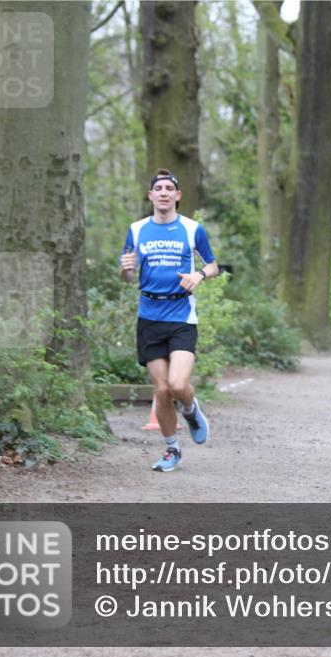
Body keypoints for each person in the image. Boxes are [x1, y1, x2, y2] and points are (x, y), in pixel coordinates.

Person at [120, 168, 219, 472]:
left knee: (178, 384)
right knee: (161, 390)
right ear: (150, 195)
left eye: (169, 188)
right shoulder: (136, 230)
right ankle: (171, 450)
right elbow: (126, 276)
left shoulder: (192, 229)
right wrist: (125, 269)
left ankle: (190, 410)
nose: (163, 192)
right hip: (149, 316)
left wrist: (198, 275)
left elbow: (214, 265)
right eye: (157, 188)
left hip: (181, 316)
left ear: (177, 196)